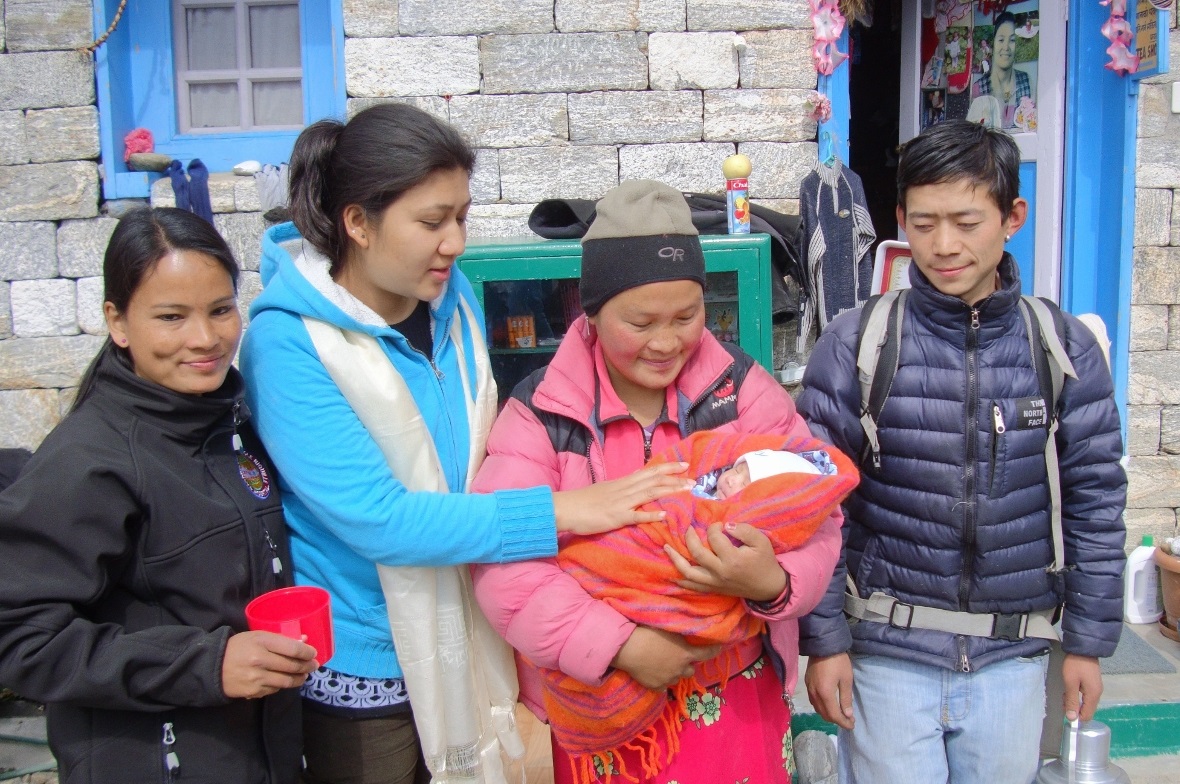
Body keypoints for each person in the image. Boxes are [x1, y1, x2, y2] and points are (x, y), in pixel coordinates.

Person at [239, 105, 687, 784]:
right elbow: (381, 520)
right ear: (357, 223)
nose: (454, 242)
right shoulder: (290, 343)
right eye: (431, 221)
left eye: (461, 217)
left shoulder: (454, 301)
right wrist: (564, 512)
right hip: (371, 659)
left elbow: (492, 450)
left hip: (470, 621)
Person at [471, 180, 844, 784]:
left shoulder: (742, 394)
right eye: (640, 321)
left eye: (687, 315)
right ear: (587, 310)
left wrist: (773, 583)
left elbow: (817, 510)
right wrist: (619, 646)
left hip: (735, 690)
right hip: (608, 696)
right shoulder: (543, 412)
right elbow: (502, 563)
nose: (667, 341)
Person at [796, 120, 1127, 783]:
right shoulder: (857, 342)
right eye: (923, 223)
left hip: (1013, 654)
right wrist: (824, 642)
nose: (944, 245)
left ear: (1012, 218)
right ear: (899, 221)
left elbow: (1095, 504)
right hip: (887, 653)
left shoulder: (1061, 347)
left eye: (966, 221)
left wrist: (1089, 644)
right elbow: (813, 505)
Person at [0, 207, 318, 784]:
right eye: (171, 317)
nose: (205, 339)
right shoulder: (89, 460)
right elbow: (22, 639)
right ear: (118, 323)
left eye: (221, 310)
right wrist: (205, 664)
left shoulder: (233, 426)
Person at [971, 12, 1035, 129]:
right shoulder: (979, 88)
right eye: (1001, 40)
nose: (1006, 47)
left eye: (1012, 40)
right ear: (993, 44)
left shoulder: (1026, 81)